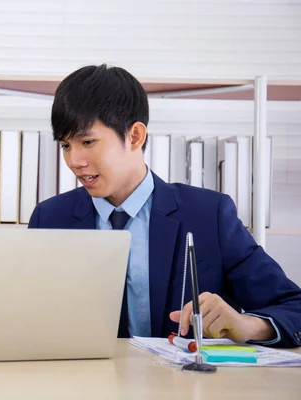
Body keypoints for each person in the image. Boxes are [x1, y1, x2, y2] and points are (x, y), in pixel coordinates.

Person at [28, 64, 301, 348]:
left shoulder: (209, 215)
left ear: (135, 136)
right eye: (65, 146)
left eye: (87, 141)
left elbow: (294, 307)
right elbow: (24, 318)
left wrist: (248, 325)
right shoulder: (49, 219)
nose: (75, 161)